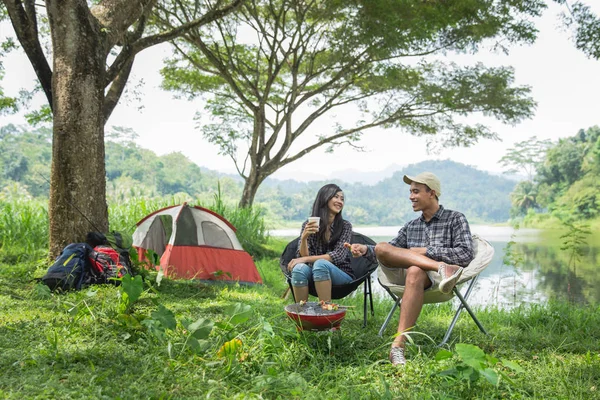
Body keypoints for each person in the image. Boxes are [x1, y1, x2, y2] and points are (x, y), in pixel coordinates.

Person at [346, 172, 474, 366]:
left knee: (415, 270)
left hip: (439, 282)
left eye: (416, 191)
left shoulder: (455, 219)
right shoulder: (411, 226)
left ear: (431, 193)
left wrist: (426, 251)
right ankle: (441, 267)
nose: (411, 196)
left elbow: (465, 254)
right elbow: (390, 250)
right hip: (417, 274)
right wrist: (365, 249)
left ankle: (397, 346)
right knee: (382, 248)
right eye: (410, 191)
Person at [287, 183, 353, 304]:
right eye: (336, 197)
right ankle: (302, 315)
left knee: (321, 264)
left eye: (342, 199)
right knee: (299, 268)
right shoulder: (309, 224)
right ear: (324, 198)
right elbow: (303, 257)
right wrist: (304, 238)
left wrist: (305, 259)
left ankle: (325, 312)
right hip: (314, 273)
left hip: (341, 274)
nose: (340, 201)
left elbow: (338, 256)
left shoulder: (345, 226)